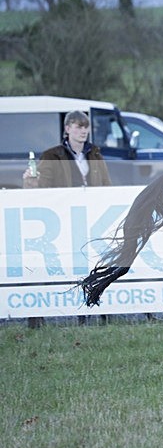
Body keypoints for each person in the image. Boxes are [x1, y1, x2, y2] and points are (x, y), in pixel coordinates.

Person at [23, 110, 112, 328]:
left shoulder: (95, 154)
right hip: (62, 219)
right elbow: (41, 189)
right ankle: (38, 314)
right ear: (67, 128)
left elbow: (107, 186)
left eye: (85, 127)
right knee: (55, 264)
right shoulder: (52, 155)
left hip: (92, 217)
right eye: (78, 126)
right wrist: (29, 183)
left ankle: (93, 309)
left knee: (92, 263)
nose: (83, 131)